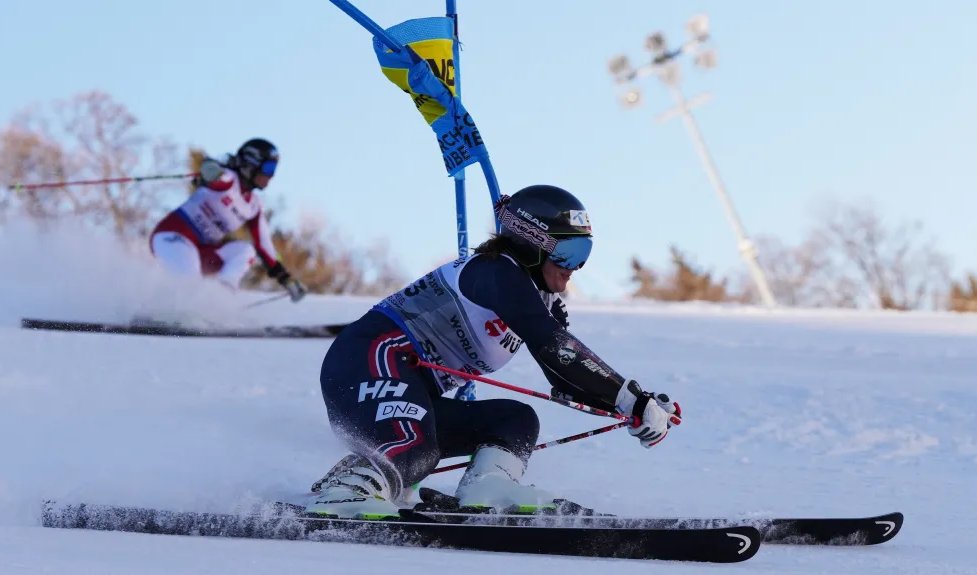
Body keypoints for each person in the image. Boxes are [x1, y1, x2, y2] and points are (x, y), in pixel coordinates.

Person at [304, 184, 682, 519]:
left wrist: (633, 405)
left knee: (514, 420)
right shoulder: (497, 272)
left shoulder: (535, 297)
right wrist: (628, 396)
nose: (575, 268)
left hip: (410, 386)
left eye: (585, 253)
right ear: (533, 243)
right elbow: (553, 345)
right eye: (568, 253)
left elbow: (563, 375)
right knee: (415, 449)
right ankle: (345, 494)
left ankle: (488, 487)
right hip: (370, 359)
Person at [148, 138, 306, 301]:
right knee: (189, 282)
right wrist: (210, 172)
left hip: (200, 251)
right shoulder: (230, 180)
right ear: (251, 164)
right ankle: (156, 315)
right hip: (172, 237)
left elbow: (264, 246)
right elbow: (217, 177)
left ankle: (220, 300)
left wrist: (286, 279)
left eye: (274, 169)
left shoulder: (253, 207)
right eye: (268, 168)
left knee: (245, 251)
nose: (270, 176)